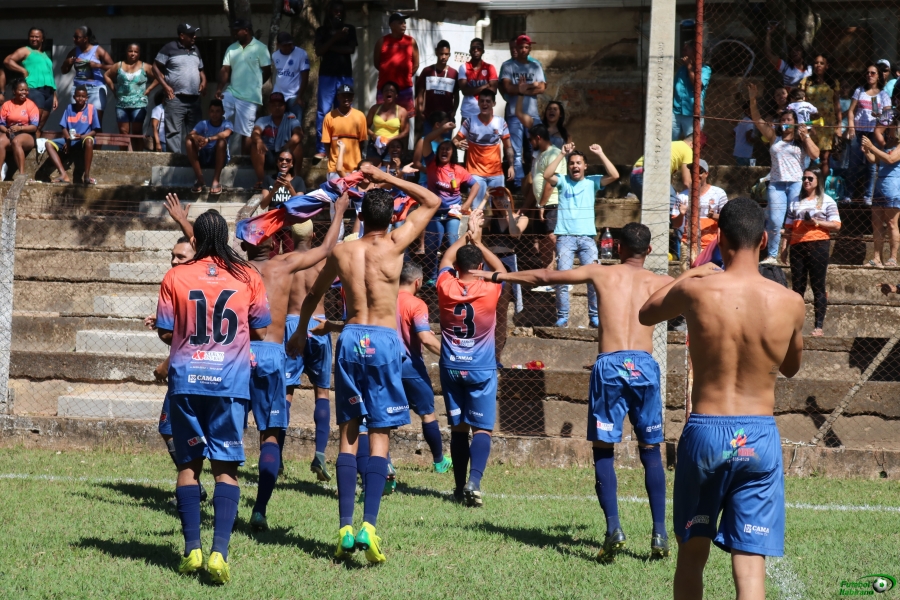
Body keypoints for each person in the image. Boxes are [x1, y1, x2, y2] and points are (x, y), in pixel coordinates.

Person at [473, 221, 673, 558]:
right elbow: (698, 288)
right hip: (644, 365)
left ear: (617, 248)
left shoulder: (600, 273)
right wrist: (703, 271)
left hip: (610, 365)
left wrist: (498, 277)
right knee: (651, 451)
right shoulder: (662, 281)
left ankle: (614, 528)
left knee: (603, 451)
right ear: (650, 251)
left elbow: (545, 278)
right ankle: (659, 535)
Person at [639, 197, 805, 600]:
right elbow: (791, 367)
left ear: (720, 240)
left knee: (692, 554)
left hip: (707, 432)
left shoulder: (699, 289)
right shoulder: (791, 302)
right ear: (765, 239)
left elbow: (647, 314)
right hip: (759, 436)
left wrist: (694, 273)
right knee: (750, 564)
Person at [286, 165, 440, 564]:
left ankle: (343, 528)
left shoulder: (341, 251)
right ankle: (369, 528)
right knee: (380, 434)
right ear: (390, 217)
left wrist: (301, 332)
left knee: (348, 432)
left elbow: (313, 295)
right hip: (387, 341)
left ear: (360, 215)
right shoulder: (395, 243)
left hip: (352, 339)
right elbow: (433, 200)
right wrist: (387, 178)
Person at [156, 209, 272, 584]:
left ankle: (191, 549)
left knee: (188, 467)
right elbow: (261, 329)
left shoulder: (175, 275)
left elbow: (164, 332)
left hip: (187, 381)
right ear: (224, 237)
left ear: (196, 240)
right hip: (229, 384)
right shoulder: (248, 275)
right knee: (226, 470)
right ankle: (219, 553)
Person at [430, 209, 506, 506]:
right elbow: (500, 270)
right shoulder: (489, 288)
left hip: (451, 367)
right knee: (482, 428)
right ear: (480, 265)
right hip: (481, 367)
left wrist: (465, 234)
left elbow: (445, 261)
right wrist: (479, 240)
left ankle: (459, 486)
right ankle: (474, 482)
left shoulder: (445, 286)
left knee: (459, 428)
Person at [145, 233, 207, 506]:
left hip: (188, 369)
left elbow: (188, 335)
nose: (173, 260)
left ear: (195, 257)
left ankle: (193, 486)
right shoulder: (190, 284)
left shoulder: (188, 284)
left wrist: (165, 365)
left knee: (169, 426)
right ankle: (198, 486)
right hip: (199, 367)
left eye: (180, 256)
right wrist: (161, 319)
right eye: (172, 255)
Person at [544, 142, 620, 328]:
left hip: (587, 237)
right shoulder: (562, 181)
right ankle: (562, 316)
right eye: (572, 163)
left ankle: (594, 316)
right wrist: (562, 154)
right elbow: (547, 175)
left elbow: (615, 175)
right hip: (565, 238)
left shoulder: (592, 182)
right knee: (562, 278)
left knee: (593, 278)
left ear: (585, 166)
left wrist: (601, 153)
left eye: (579, 163)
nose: (575, 166)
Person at [283, 221, 336, 481]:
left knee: (286, 391)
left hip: (291, 323)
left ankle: (276, 454)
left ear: (291, 237)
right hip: (318, 324)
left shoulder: (284, 261)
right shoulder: (321, 261)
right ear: (314, 234)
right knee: (322, 392)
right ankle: (320, 455)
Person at [748, 82, 819, 264]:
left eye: (789, 120)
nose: (786, 122)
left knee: (794, 219)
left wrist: (806, 136)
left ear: (795, 123)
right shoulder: (774, 137)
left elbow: (815, 154)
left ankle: (792, 253)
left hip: (796, 182)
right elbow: (757, 119)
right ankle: (772, 255)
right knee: (774, 219)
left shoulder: (800, 140)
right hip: (777, 183)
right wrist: (753, 99)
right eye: (784, 120)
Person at [396, 262, 453, 472]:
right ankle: (439, 461)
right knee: (427, 413)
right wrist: (451, 355)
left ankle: (384, 462)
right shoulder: (416, 304)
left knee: (380, 417)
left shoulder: (384, 300)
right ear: (418, 282)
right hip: (410, 366)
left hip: (384, 365)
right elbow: (425, 338)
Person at [780, 168, 841, 336]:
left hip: (818, 245)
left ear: (818, 181)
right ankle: (795, 327)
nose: (806, 181)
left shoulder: (827, 200)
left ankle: (818, 326)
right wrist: (784, 248)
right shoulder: (794, 201)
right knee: (797, 288)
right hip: (797, 246)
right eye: (804, 178)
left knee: (817, 286)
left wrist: (817, 223)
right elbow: (788, 227)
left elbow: (836, 225)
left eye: (810, 178)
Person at [415, 127, 480, 280]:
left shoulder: (458, 169)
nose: (444, 151)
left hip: (453, 213)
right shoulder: (431, 163)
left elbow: (476, 185)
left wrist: (467, 203)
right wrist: (442, 129)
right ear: (438, 152)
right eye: (442, 149)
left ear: (453, 153)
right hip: (434, 213)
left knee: (452, 242)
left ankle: (451, 275)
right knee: (432, 246)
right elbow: (427, 140)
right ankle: (431, 277)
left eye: (448, 149)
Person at [217, 19, 273, 155]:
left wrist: (256, 84)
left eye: (237, 30)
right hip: (232, 92)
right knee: (219, 118)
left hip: (250, 98)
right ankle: (220, 154)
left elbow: (267, 71)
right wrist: (219, 88)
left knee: (246, 132)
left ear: (246, 31)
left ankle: (244, 160)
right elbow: (225, 70)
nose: (234, 33)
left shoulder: (261, 48)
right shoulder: (231, 48)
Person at [453, 89, 513, 208]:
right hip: (475, 173)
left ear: (493, 104)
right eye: (482, 101)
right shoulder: (469, 121)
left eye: (488, 101)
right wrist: (458, 144)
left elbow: (509, 147)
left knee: (500, 209)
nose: (485, 104)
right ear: (478, 103)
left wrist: (511, 165)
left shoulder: (501, 122)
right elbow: (455, 140)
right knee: (477, 210)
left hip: (496, 173)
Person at [313, 0, 358, 160]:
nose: (338, 14)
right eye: (335, 11)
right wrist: (335, 38)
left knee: (344, 111)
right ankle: (321, 148)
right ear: (329, 12)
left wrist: (329, 47)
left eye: (340, 11)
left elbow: (350, 49)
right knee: (323, 112)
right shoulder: (322, 31)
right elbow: (319, 51)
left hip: (345, 75)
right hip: (327, 75)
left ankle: (343, 146)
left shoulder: (349, 29)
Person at [499, 35, 546, 188]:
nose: (524, 50)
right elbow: (507, 87)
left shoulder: (535, 66)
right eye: (521, 47)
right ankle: (518, 182)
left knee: (536, 149)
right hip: (514, 114)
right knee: (516, 150)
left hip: (532, 114)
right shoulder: (508, 66)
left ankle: (535, 180)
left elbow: (543, 87)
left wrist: (521, 88)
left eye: (527, 47)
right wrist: (529, 87)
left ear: (529, 48)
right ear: (516, 48)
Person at [153, 23, 206, 154]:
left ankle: (194, 161)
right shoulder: (169, 48)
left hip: (194, 99)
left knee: (195, 132)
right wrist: (165, 86)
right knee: (173, 132)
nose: (194, 36)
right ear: (182, 36)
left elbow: (201, 70)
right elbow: (155, 67)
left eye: (194, 34)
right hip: (175, 98)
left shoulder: (195, 49)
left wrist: (204, 80)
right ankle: (175, 162)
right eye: (191, 34)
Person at [848, 64, 891, 205]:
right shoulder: (859, 91)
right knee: (853, 164)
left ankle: (868, 196)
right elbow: (850, 111)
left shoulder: (883, 94)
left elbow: (888, 115)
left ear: (878, 75)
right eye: (867, 73)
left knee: (872, 166)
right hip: (858, 131)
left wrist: (879, 115)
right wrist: (851, 127)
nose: (870, 75)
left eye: (873, 73)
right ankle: (849, 195)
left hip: (874, 132)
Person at [3, 28, 57, 138]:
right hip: (34, 88)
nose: (34, 38)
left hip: (49, 92)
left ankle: (34, 146)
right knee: (35, 122)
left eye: (37, 36)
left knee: (40, 125)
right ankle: (24, 144)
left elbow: (50, 74)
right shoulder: (25, 50)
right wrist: (22, 70)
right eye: (32, 36)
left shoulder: (45, 54)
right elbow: (8, 61)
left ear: (42, 39)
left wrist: (55, 95)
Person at [104, 43, 158, 151]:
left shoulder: (145, 66)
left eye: (136, 52)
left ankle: (137, 156)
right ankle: (124, 156)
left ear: (139, 53)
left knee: (137, 132)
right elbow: (107, 75)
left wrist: (149, 89)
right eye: (130, 51)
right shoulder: (118, 65)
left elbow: (160, 77)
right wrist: (114, 90)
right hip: (121, 104)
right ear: (126, 52)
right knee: (123, 132)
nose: (133, 54)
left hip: (139, 104)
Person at [44, 85, 100, 185]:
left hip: (84, 139)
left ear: (87, 98)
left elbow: (95, 130)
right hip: (70, 139)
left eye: (83, 96)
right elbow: (63, 127)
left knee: (89, 140)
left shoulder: (91, 109)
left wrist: (83, 136)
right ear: (74, 97)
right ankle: (63, 174)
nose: (80, 98)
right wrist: (68, 139)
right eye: (78, 96)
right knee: (48, 144)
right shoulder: (69, 108)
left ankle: (86, 175)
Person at [672, 159, 729, 254]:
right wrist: (681, 214)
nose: (696, 175)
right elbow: (675, 224)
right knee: (687, 269)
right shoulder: (682, 196)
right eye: (693, 172)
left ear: (706, 174)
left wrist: (713, 216)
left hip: (712, 244)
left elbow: (728, 218)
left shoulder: (719, 193)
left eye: (700, 172)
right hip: (688, 245)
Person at [863, 125, 900, 268]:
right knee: (876, 223)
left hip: (893, 186)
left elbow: (890, 160)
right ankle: (876, 258)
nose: (888, 130)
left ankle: (893, 258)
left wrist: (872, 146)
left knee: (891, 223)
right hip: (880, 185)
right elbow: (875, 160)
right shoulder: (888, 144)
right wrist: (867, 151)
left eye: (891, 128)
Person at [799, 54, 842, 176]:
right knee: (809, 157)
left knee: (824, 159)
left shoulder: (833, 83)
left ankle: (822, 187)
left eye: (822, 63)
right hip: (811, 124)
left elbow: (836, 104)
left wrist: (839, 126)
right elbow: (801, 102)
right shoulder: (806, 82)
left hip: (827, 126)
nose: (818, 65)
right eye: (816, 63)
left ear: (827, 66)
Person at [259, 149, 307, 257]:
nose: (284, 162)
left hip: (290, 223)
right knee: (271, 255)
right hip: (273, 223)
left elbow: (301, 204)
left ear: (292, 163)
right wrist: (274, 189)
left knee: (289, 256)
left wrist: (290, 187)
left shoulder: (298, 181)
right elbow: (263, 205)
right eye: (281, 159)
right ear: (277, 162)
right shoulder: (269, 179)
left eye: (288, 160)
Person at [250, 92, 303, 190]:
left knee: (297, 145)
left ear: (284, 106)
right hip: (269, 154)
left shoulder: (290, 119)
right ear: (269, 107)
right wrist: (259, 141)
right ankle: (261, 181)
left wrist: (287, 146)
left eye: (280, 105)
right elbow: (255, 133)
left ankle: (295, 179)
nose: (277, 108)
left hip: (285, 152)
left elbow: (299, 134)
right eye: (274, 105)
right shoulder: (263, 120)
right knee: (255, 145)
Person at [61, 26, 113, 124]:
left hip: (96, 88)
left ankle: (95, 139)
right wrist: (66, 63)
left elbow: (114, 67)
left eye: (77, 37)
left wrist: (98, 65)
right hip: (78, 89)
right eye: (74, 37)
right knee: (77, 120)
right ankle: (78, 139)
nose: (74, 39)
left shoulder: (98, 50)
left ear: (85, 38)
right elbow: (64, 71)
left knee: (96, 121)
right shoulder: (74, 51)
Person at [530, 124, 566, 269]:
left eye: (531, 139)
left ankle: (564, 270)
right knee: (543, 241)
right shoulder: (539, 156)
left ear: (538, 138)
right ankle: (548, 276)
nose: (530, 143)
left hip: (552, 202)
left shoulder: (554, 154)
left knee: (553, 237)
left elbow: (551, 182)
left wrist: (542, 205)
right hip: (541, 204)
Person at [184, 99, 233, 195]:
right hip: (204, 155)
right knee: (189, 141)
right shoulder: (203, 124)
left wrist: (209, 139)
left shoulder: (227, 123)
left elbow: (225, 134)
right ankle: (200, 179)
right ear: (208, 112)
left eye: (217, 111)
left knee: (222, 142)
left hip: (219, 157)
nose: (214, 114)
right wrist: (195, 137)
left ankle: (215, 181)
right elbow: (188, 136)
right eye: (212, 111)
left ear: (223, 112)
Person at [374, 12, 419, 116]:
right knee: (383, 119)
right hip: (385, 89)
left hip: (404, 89)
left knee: (404, 120)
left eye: (404, 22)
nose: (404, 25)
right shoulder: (382, 41)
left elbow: (416, 64)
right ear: (392, 25)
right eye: (400, 22)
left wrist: (405, 77)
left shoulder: (411, 41)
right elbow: (377, 63)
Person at [630, 132, 696, 200]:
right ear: (692, 144)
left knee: (651, 208)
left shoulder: (672, 145)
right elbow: (687, 182)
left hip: (635, 175)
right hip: (651, 175)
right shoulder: (688, 150)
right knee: (672, 206)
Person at [322, 84, 368, 179]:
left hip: (355, 168)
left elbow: (362, 142)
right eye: (343, 95)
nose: (346, 98)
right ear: (338, 97)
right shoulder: (329, 117)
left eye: (349, 96)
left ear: (353, 97)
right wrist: (332, 160)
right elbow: (327, 143)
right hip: (335, 168)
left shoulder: (360, 116)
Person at [416, 40, 458, 136]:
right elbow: (420, 92)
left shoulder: (454, 73)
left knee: (444, 147)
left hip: (446, 119)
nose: (444, 57)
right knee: (427, 146)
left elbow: (456, 95)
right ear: (436, 52)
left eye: (446, 54)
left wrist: (454, 112)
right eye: (441, 54)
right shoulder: (427, 71)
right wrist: (420, 110)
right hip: (429, 117)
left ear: (449, 54)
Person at [672, 41, 712, 140]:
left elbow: (697, 85)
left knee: (691, 144)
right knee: (670, 143)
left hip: (692, 113)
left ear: (694, 52)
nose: (683, 53)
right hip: (676, 112)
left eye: (685, 50)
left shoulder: (705, 69)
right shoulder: (681, 69)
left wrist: (690, 68)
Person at [0, 79, 38, 179]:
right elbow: (1, 124)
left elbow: (34, 127)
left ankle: (22, 174)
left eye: (26, 90)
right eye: (21, 90)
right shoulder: (7, 105)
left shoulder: (31, 105)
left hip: (27, 134)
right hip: (10, 132)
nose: (24, 92)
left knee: (16, 141)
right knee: (0, 141)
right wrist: (6, 130)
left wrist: (20, 128)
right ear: (14, 91)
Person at [366, 82, 409, 164]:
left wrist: (392, 139)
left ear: (396, 95)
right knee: (372, 169)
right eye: (386, 90)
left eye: (392, 91)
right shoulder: (374, 108)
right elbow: (365, 127)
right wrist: (373, 135)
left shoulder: (401, 111)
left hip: (393, 146)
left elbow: (405, 132)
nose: (389, 92)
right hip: (375, 144)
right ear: (382, 94)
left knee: (389, 171)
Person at [457, 38, 498, 124]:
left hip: (486, 111)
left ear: (483, 50)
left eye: (478, 48)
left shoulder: (490, 68)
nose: (476, 50)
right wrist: (485, 86)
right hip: (468, 111)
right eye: (473, 48)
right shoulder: (463, 68)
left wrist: (473, 90)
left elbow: (493, 90)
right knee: (465, 137)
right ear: (469, 51)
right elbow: (465, 91)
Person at [271, 32, 310, 120]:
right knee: (277, 123)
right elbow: (275, 74)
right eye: (285, 45)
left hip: (294, 96)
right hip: (278, 95)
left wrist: (300, 96)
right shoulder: (275, 55)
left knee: (296, 124)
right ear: (278, 45)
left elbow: (305, 77)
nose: (288, 48)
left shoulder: (301, 54)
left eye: (290, 45)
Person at [764, 25, 811, 89]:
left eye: (797, 50)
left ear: (803, 52)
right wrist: (768, 35)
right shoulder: (785, 67)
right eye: (792, 51)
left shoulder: (810, 69)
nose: (795, 52)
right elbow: (768, 54)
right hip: (790, 98)